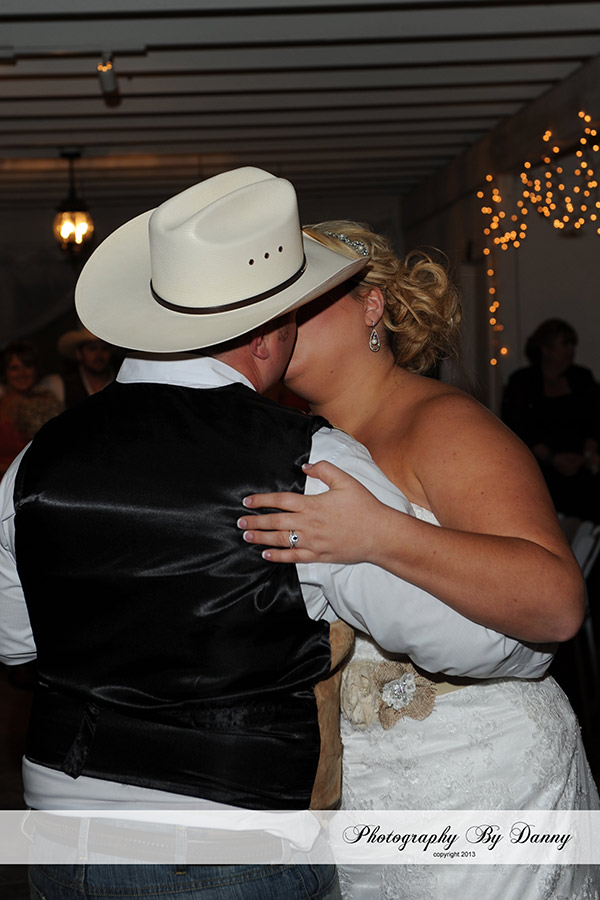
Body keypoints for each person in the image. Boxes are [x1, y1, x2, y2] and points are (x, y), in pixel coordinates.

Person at [0, 171, 555, 900]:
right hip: (227, 847)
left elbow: (14, 638)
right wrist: (528, 651)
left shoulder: (36, 460)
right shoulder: (307, 463)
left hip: (57, 840)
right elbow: (475, 642)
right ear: (266, 335)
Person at [238, 221, 600, 900]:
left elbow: (557, 603)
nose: (280, 323)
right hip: (362, 785)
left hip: (485, 776)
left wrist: (381, 534)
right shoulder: (292, 441)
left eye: (303, 303)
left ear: (371, 306)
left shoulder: (442, 422)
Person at [502, 318, 600, 522]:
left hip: (582, 468)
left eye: (572, 344)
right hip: (540, 470)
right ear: (546, 349)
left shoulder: (581, 378)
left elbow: (595, 418)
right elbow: (517, 427)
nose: (571, 349)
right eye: (565, 344)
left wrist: (586, 455)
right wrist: (553, 459)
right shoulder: (522, 381)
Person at [0, 340, 63, 477]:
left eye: (27, 366)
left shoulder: (50, 403)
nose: (22, 373)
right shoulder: (2, 407)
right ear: (5, 373)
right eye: (14, 368)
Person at [56, 326, 115, 407]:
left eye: (104, 348)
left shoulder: (124, 381)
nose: (99, 355)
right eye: (92, 348)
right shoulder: (62, 388)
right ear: (79, 353)